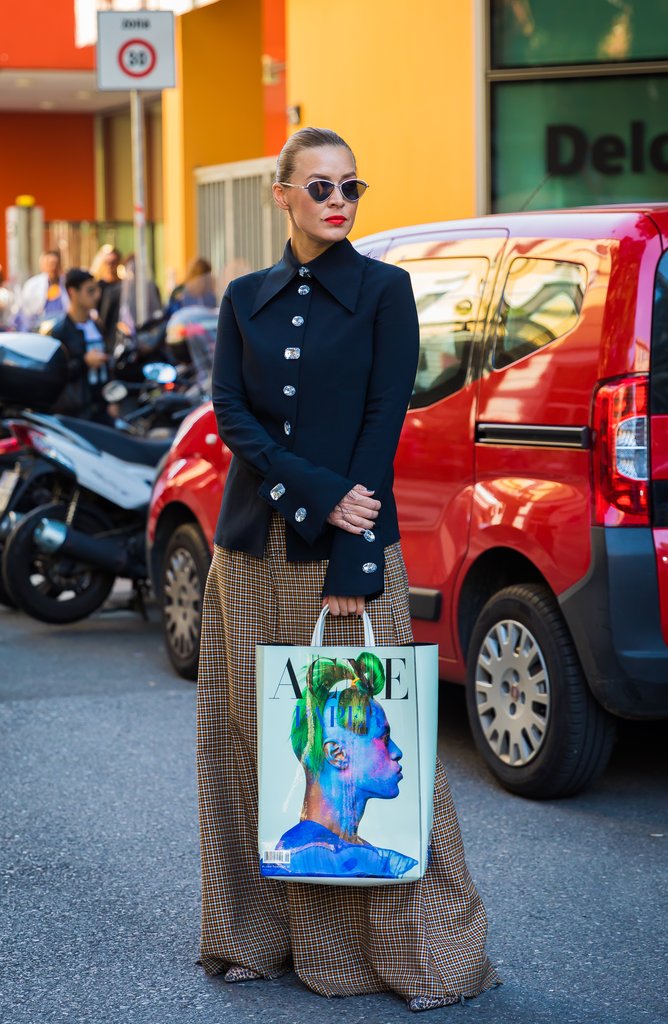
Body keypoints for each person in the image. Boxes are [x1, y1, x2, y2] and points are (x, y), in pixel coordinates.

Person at [197, 127, 500, 1012]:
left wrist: (351, 549)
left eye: (351, 187)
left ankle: (407, 953)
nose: (338, 201)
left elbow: (383, 420)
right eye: (319, 186)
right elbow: (229, 413)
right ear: (281, 194)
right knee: (249, 749)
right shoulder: (244, 298)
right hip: (249, 554)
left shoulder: (382, 289)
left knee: (371, 747)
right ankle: (254, 939)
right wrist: (318, 492)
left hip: (346, 555)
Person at [261, 653, 418, 880]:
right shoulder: (301, 856)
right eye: (384, 738)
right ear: (337, 754)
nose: (397, 752)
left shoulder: (348, 851)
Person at [50, 268, 109, 420]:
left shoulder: (97, 325)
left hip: (101, 407)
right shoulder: (61, 330)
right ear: (72, 292)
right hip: (77, 412)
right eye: (90, 291)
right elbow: (57, 373)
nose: (97, 296)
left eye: (97, 290)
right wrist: (84, 362)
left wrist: (112, 400)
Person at [16, 250, 69, 332]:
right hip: (39, 328)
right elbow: (25, 313)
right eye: (49, 264)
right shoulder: (32, 285)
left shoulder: (67, 283)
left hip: (63, 328)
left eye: (55, 264)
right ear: (42, 266)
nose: (53, 268)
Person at [91, 246, 122, 352]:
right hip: (103, 333)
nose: (110, 266)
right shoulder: (97, 286)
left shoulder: (123, 285)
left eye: (113, 262)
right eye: (107, 262)